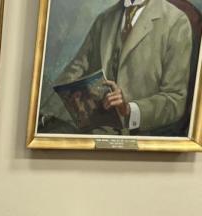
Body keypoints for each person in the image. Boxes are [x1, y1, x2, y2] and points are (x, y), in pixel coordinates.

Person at [46, 0, 192, 136]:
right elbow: (75, 69)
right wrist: (65, 96)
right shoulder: (104, 19)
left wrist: (129, 109)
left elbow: (175, 100)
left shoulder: (176, 22)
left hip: (139, 139)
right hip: (90, 130)